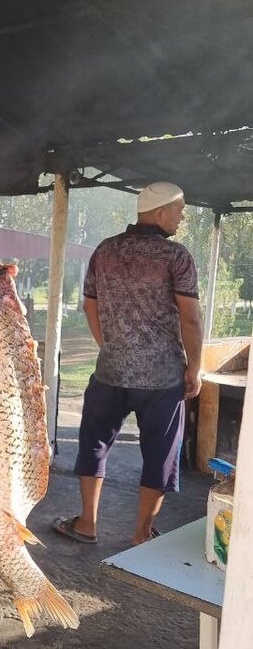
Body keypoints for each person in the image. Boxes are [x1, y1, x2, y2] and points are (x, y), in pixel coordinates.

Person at [52, 182, 203, 548]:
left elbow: (90, 305)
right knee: (159, 453)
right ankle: (141, 535)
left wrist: (110, 346)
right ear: (161, 212)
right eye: (180, 210)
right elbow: (191, 319)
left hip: (111, 372)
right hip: (162, 377)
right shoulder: (175, 256)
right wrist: (194, 369)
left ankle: (87, 524)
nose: (182, 217)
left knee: (95, 442)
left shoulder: (105, 250)